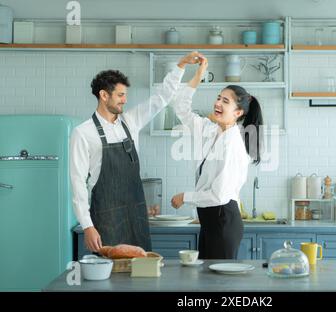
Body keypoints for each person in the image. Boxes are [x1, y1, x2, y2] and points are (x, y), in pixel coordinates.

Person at [70, 51, 203, 252]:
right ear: (104, 95)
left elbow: (162, 97)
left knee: (140, 272)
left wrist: (181, 65)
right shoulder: (82, 133)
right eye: (120, 95)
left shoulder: (131, 121)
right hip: (105, 219)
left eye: (125, 95)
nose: (124, 100)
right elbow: (78, 184)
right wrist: (88, 226)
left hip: (136, 215)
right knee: (109, 276)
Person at [170, 57, 263, 259]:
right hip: (210, 222)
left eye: (225, 101)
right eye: (218, 98)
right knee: (208, 281)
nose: (218, 103)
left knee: (219, 284)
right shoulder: (211, 130)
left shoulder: (233, 144)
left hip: (223, 222)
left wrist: (185, 197)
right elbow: (181, 109)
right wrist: (197, 76)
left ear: (238, 112)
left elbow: (219, 195)